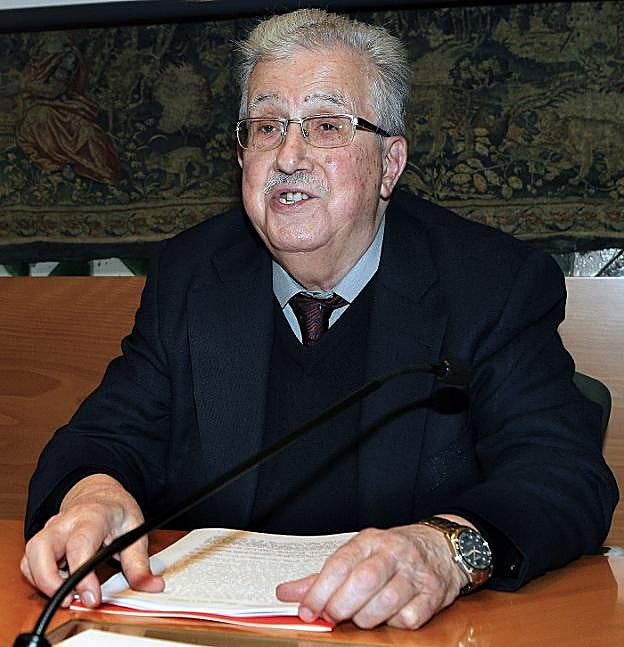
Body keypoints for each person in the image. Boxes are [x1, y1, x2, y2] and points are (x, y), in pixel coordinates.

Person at [21, 8, 617, 631]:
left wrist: (445, 550)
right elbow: (103, 438)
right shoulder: (192, 275)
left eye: (327, 125)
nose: (288, 156)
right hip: (210, 629)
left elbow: (563, 474)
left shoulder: (490, 282)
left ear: (390, 164)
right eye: (267, 127)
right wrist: (93, 494)